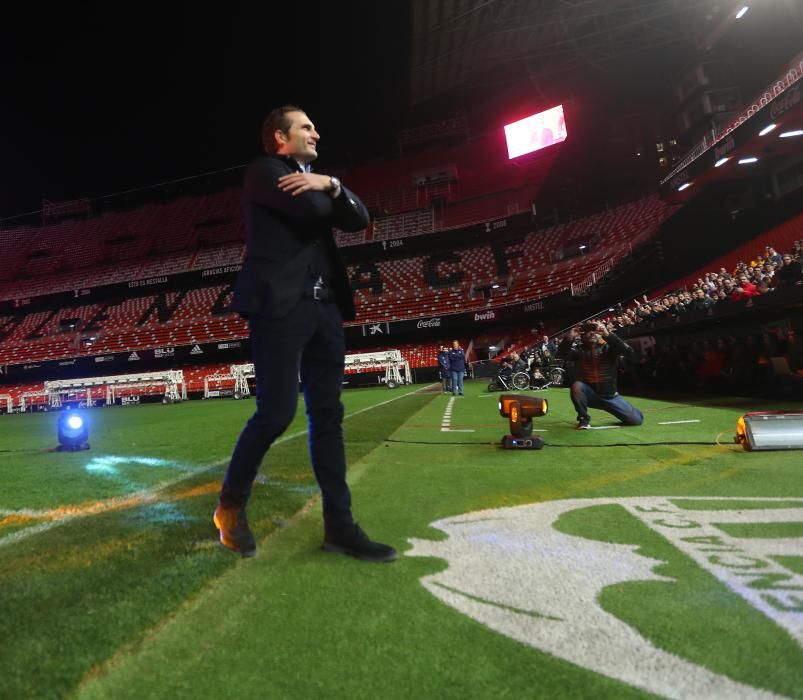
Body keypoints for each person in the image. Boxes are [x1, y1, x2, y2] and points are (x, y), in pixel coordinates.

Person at [213, 105, 396, 562]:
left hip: (325, 309)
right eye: (306, 127)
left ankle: (340, 526)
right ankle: (230, 506)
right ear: (280, 137)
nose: (317, 132)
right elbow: (314, 210)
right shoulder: (263, 171)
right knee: (276, 413)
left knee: (328, 417)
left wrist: (331, 183)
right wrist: (322, 189)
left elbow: (358, 218)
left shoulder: (316, 180)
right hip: (280, 307)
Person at [557, 322, 644, 429]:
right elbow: (560, 354)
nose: (592, 333)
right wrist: (569, 338)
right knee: (577, 386)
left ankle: (630, 410)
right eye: (588, 331)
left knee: (636, 420)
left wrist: (608, 335)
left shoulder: (609, 349)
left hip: (610, 397)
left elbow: (628, 351)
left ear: (601, 334)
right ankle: (583, 419)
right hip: (591, 396)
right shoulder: (579, 351)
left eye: (595, 331)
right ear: (582, 336)